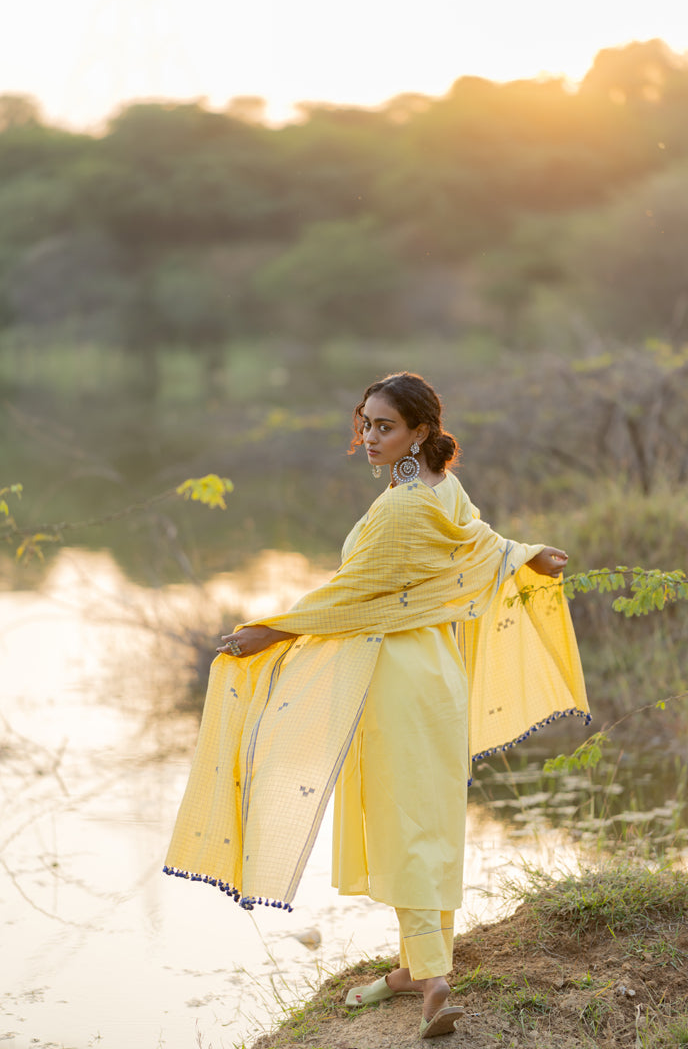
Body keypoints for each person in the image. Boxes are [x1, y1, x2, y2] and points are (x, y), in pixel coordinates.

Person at [164, 372, 588, 1040]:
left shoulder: (401, 509)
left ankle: (431, 978)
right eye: (364, 423)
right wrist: (527, 554)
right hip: (436, 677)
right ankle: (417, 965)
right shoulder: (438, 489)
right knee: (431, 817)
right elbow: (476, 541)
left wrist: (268, 629)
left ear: (419, 432)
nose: (367, 437)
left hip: (396, 680)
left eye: (383, 426)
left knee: (404, 824)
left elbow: (352, 594)